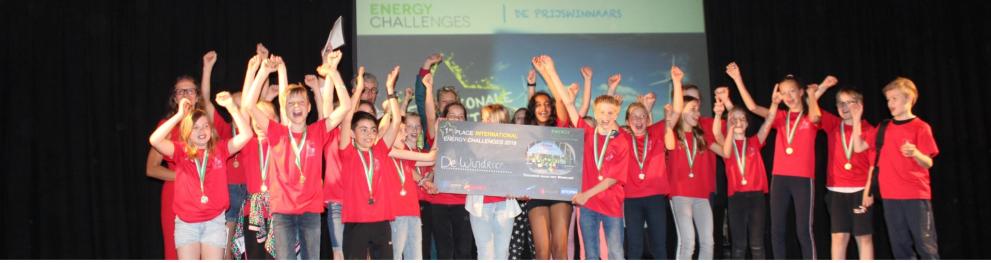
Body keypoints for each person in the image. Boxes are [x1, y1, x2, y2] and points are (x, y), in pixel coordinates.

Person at [534, 54, 630, 260]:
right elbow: (567, 102)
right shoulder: (586, 132)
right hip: (588, 207)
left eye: (610, 113)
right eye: (602, 113)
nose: (605, 117)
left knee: (615, 253)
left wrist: (587, 194)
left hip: (611, 205)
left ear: (617, 114)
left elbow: (613, 178)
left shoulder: (622, 140)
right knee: (591, 254)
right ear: (595, 112)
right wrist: (551, 70)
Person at [728, 62, 826, 259]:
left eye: (792, 92)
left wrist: (813, 94)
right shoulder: (780, 117)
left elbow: (816, 116)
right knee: (776, 230)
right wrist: (737, 79)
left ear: (800, 92)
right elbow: (752, 107)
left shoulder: (809, 117)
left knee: (803, 231)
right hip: (780, 178)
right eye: (783, 93)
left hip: (802, 179)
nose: (788, 97)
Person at [148, 90, 253, 259]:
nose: (202, 130)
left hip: (215, 222)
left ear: (211, 130)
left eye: (205, 125)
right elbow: (154, 140)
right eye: (195, 127)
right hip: (186, 224)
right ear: (187, 132)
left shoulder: (220, 149)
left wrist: (232, 107)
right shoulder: (181, 151)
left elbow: (246, 134)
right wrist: (179, 115)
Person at [868, 77, 939, 259]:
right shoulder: (883, 127)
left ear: (908, 99)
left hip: (915, 195)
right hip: (890, 196)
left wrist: (915, 153)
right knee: (900, 248)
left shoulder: (921, 127)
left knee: (925, 245)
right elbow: (862, 146)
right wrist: (854, 115)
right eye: (888, 100)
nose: (889, 104)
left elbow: (928, 163)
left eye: (894, 99)